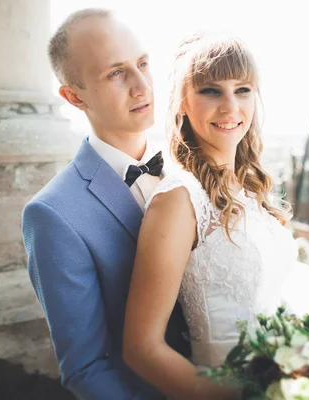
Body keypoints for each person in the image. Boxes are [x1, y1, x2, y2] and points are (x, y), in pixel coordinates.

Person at [21, 9, 189, 400]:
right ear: (74, 96)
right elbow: (86, 368)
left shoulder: (192, 169)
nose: (141, 85)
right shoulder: (52, 215)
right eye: (116, 73)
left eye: (143, 64)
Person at [122, 33, 298, 400]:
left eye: (243, 89)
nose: (231, 107)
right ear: (182, 103)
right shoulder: (179, 201)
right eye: (211, 91)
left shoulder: (250, 189)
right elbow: (141, 349)